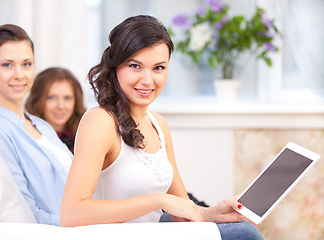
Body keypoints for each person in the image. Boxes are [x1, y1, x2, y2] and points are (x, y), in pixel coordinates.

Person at [60, 15, 263, 239]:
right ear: (115, 66)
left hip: (151, 232)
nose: (147, 80)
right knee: (244, 235)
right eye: (135, 66)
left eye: (158, 68)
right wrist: (158, 200)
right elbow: (71, 214)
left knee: (242, 230)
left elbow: (182, 211)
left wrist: (212, 213)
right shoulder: (100, 121)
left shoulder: (158, 124)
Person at [0, 24, 73, 226]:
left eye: (26, 64)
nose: (19, 74)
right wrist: (80, 222)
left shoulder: (41, 125)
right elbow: (26, 213)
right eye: (7, 65)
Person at [25, 67, 86, 153]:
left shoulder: (86, 134)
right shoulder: (26, 136)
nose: (60, 106)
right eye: (52, 98)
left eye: (67, 98)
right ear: (37, 100)